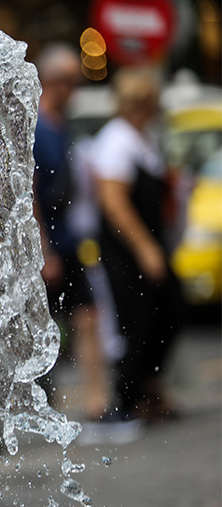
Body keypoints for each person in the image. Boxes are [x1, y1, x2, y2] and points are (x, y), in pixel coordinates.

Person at [89, 68, 182, 431]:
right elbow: (114, 202)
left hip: (150, 244)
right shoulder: (118, 140)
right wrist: (145, 248)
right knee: (139, 319)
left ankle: (147, 387)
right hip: (127, 250)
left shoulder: (140, 138)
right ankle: (128, 396)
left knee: (166, 311)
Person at [31, 44, 108, 420]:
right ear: (50, 81)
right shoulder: (37, 128)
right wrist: (44, 251)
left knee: (87, 316)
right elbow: (27, 195)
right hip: (46, 245)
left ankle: (97, 401)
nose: (73, 89)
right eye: (67, 81)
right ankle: (42, 405)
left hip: (69, 238)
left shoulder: (64, 125)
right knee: (38, 330)